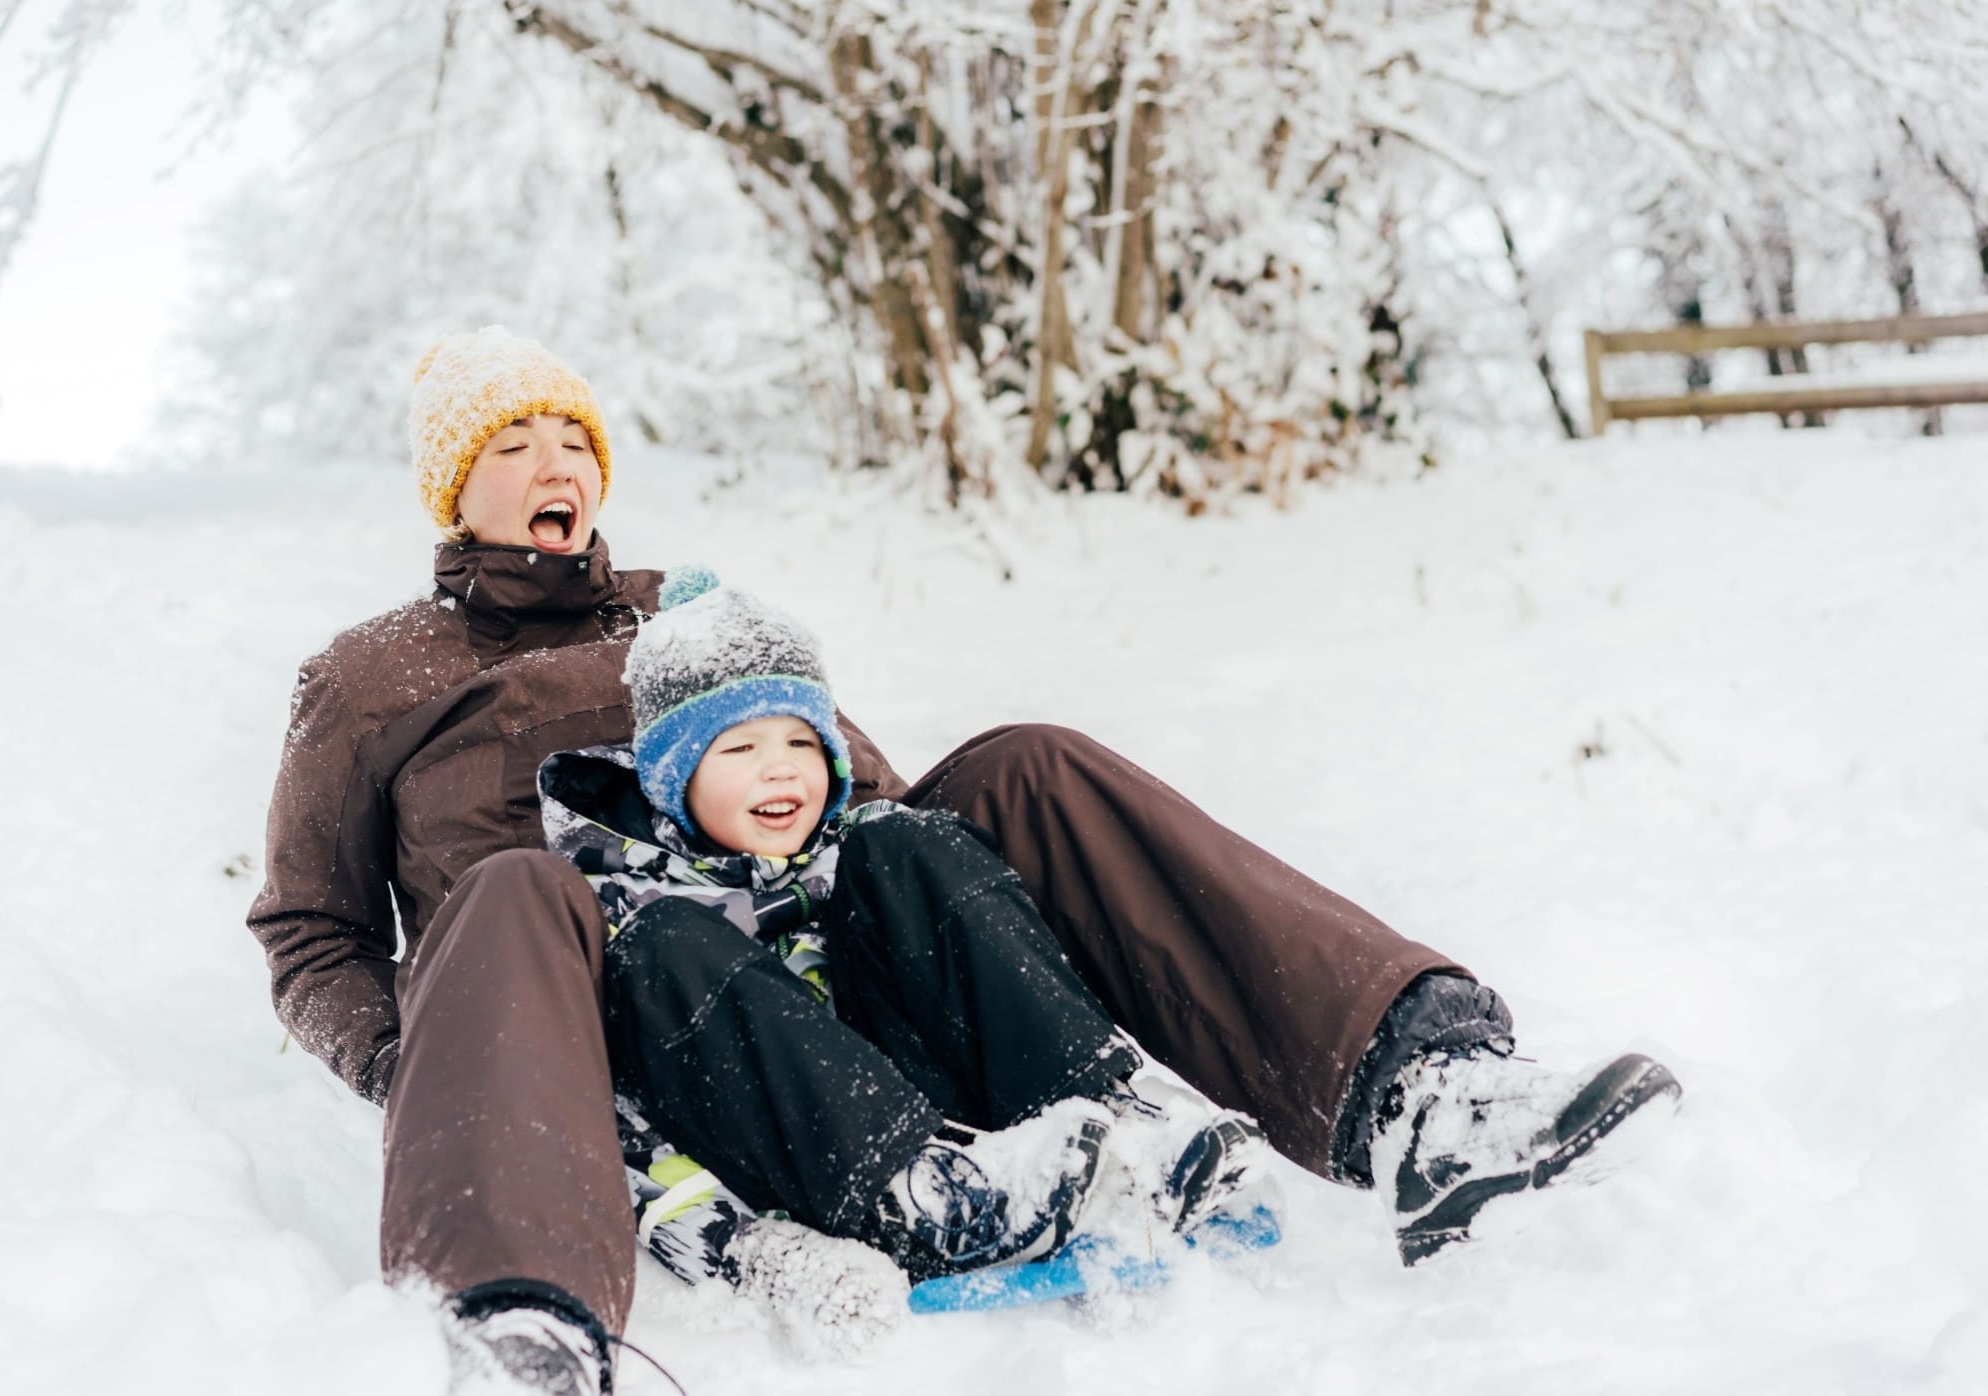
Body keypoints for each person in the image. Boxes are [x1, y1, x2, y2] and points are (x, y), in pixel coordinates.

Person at [247, 327, 1680, 1395]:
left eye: (575, 444)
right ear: (455, 489)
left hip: (815, 996)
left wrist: (897, 870)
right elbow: (311, 932)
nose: (554, 468)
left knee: (1019, 766)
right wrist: (424, 1056)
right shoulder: (372, 679)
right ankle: (519, 1318)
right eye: (513, 447)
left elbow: (859, 794)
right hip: (600, 1021)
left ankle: (1414, 1092)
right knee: (514, 888)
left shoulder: (683, 623)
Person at [540, 564, 1267, 1309]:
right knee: (665, 947)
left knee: (908, 842)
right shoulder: (623, 913)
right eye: (738, 750)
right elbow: (610, 1122)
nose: (780, 770)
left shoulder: (854, 853)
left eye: (801, 743)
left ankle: (1112, 1117)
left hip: (962, 1130)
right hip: (808, 1169)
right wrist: (745, 1253)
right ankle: (910, 1197)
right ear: (673, 778)